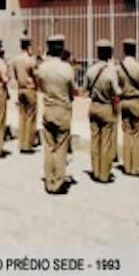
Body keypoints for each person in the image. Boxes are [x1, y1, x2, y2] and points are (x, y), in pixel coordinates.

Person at [36, 35, 76, 194]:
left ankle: (49, 179)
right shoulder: (67, 68)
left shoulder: (43, 68)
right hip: (62, 108)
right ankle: (58, 182)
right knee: (61, 147)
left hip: (48, 107)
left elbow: (41, 87)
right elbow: (72, 91)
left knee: (49, 146)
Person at [84, 39, 121, 183]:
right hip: (106, 107)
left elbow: (85, 89)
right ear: (110, 54)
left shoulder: (91, 69)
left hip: (94, 106)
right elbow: (116, 92)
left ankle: (95, 170)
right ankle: (104, 174)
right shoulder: (111, 71)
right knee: (106, 142)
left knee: (94, 140)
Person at [117, 38, 139, 177]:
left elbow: (117, 86)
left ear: (124, 49)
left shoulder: (119, 67)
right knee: (137, 134)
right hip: (136, 101)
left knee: (127, 133)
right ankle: (136, 167)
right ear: (135, 50)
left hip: (124, 101)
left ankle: (127, 165)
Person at [12, 37, 38, 153]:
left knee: (22, 117)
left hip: (20, 89)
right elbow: (36, 76)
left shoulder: (16, 60)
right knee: (30, 118)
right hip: (29, 89)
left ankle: (21, 142)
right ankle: (28, 144)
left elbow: (15, 75)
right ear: (28, 47)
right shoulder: (30, 60)